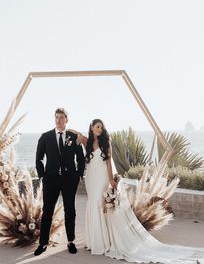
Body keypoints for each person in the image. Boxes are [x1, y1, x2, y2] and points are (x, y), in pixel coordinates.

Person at [70, 119, 204, 263]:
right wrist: (74, 133)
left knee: (100, 205)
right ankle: (93, 242)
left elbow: (109, 162)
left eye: (101, 127)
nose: (99, 129)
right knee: (93, 203)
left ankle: (101, 243)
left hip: (102, 177)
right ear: (91, 128)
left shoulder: (106, 142)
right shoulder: (87, 142)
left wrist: (110, 180)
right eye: (97, 127)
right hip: (91, 178)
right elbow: (71, 131)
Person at [34, 108, 85, 256]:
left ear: (66, 120)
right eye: (56, 117)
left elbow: (80, 157)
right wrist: (42, 176)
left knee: (70, 211)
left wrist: (78, 175)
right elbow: (39, 159)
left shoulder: (73, 137)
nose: (58, 120)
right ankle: (43, 243)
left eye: (61, 117)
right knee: (47, 211)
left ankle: (71, 241)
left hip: (70, 180)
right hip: (51, 179)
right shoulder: (45, 137)